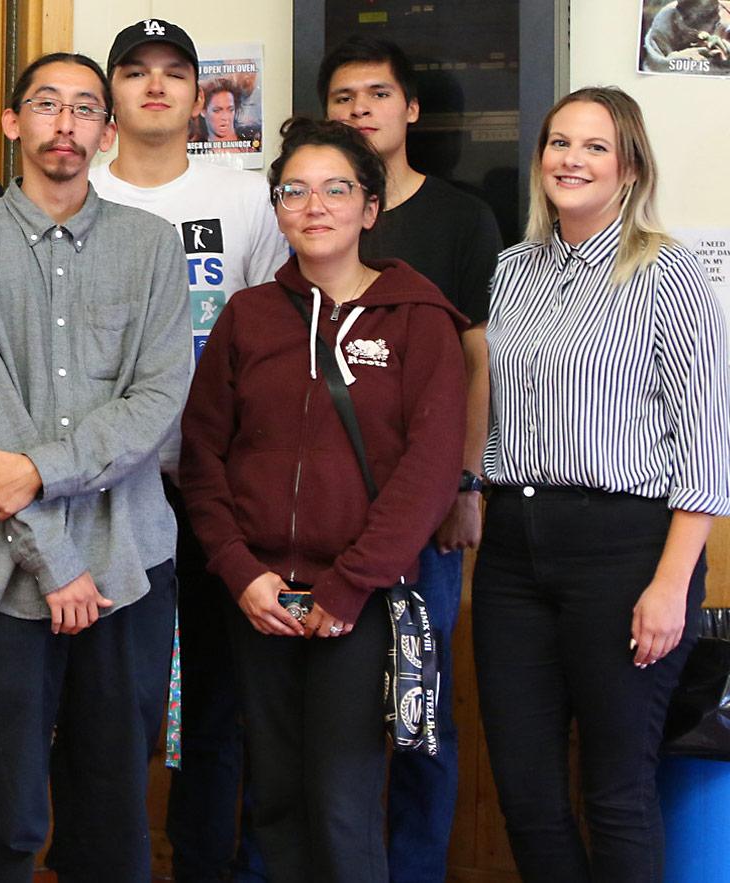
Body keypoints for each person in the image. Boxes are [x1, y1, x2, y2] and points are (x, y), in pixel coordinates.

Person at [179, 116, 466, 883]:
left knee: (342, 802)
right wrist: (241, 571)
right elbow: (204, 456)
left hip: (361, 600)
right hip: (261, 596)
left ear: (369, 208)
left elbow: (431, 470)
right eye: (294, 191)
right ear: (276, 209)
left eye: (337, 189)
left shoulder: (419, 317)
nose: (315, 206)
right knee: (272, 798)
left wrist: (347, 586)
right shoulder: (248, 316)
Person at [0, 52, 189, 882]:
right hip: (4, 572)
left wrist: (41, 470)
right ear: (14, 123)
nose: (65, 122)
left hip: (133, 564)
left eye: (85, 108)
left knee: (112, 812)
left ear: (106, 132)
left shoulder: (152, 247)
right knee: (5, 811)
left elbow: (157, 401)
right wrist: (58, 564)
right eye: (46, 104)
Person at [474, 86, 729, 883]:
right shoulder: (513, 270)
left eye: (593, 147)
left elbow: (708, 442)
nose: (571, 160)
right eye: (559, 143)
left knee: (615, 790)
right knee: (525, 790)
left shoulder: (669, 272)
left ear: (628, 168)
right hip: (515, 551)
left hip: (627, 553)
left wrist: (669, 583)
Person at [84, 20, 290, 881]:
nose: (156, 87)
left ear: (206, 94)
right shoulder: (77, 191)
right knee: (106, 705)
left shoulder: (244, 197)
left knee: (217, 700)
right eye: (136, 72)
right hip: (101, 491)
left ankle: (206, 864)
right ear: (113, 94)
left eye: (175, 73)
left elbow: (277, 342)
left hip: (214, 486)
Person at [318, 35, 505, 883]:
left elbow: (476, 361)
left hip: (424, 514)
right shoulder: (308, 211)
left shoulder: (461, 218)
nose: (361, 109)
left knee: (419, 716)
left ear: (411, 108)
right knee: (316, 719)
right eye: (345, 97)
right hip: (317, 515)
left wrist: (465, 482)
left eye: (378, 94)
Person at [641, 0, 730, 73]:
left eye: (714, 25)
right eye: (692, 33)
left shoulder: (725, 17)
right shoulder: (665, 21)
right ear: (678, 19)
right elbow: (654, 67)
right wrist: (685, 58)